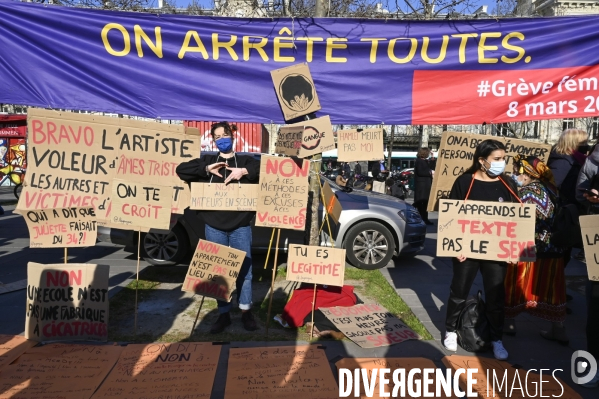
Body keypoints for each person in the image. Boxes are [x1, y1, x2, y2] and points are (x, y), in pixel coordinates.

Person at [176, 121, 260, 334]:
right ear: (213, 141)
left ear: (232, 135)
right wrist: (205, 169)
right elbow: (181, 170)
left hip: (240, 226)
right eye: (217, 137)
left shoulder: (245, 160)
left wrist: (243, 172)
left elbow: (262, 169)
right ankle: (223, 314)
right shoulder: (207, 160)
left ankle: (245, 311)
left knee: (245, 272)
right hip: (214, 227)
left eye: (225, 135)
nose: (222, 139)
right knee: (218, 273)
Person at [443, 139, 519, 360]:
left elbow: (516, 219)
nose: (501, 163)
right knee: (459, 291)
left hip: (497, 251)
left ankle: (496, 339)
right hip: (466, 250)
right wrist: (455, 245)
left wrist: (514, 248)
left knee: (496, 295)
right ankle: (451, 331)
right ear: (482, 160)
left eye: (503, 159)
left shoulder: (506, 184)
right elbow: (451, 216)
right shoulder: (465, 182)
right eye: (497, 159)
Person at [504, 155, 568, 343]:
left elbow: (518, 219)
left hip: (530, 247)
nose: (515, 173)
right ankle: (559, 329)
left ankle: (509, 322)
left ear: (527, 172)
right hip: (554, 248)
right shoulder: (552, 189)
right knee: (552, 288)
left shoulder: (526, 192)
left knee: (517, 284)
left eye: (517, 170)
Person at [414, 147, 434, 225]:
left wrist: (433, 158)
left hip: (425, 185)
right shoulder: (419, 161)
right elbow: (421, 172)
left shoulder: (424, 161)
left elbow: (431, 167)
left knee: (425, 203)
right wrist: (430, 173)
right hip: (421, 186)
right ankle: (421, 219)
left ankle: (425, 218)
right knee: (421, 204)